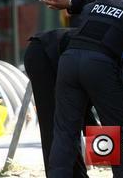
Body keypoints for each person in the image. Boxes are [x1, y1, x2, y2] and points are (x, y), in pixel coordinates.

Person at [40, 0, 123, 177]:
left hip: (69, 60)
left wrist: (70, 1)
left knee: (65, 130)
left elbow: (84, 2)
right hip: (101, 67)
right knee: (117, 130)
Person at [24, 28, 97, 177]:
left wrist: (101, 151)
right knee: (53, 125)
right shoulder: (113, 65)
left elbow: (88, 113)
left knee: (70, 125)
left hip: (65, 63)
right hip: (43, 55)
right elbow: (108, 116)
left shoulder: (114, 70)